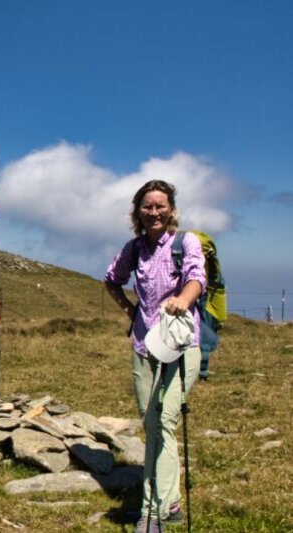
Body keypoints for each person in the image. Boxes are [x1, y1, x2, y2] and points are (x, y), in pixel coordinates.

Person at [104, 179, 205, 532]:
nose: (154, 212)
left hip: (181, 347)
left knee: (163, 422)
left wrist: (183, 300)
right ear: (138, 212)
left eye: (160, 205)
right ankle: (172, 502)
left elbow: (197, 277)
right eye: (147, 206)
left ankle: (152, 513)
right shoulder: (133, 249)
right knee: (153, 425)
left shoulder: (185, 242)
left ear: (171, 209)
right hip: (144, 347)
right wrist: (130, 311)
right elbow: (111, 279)